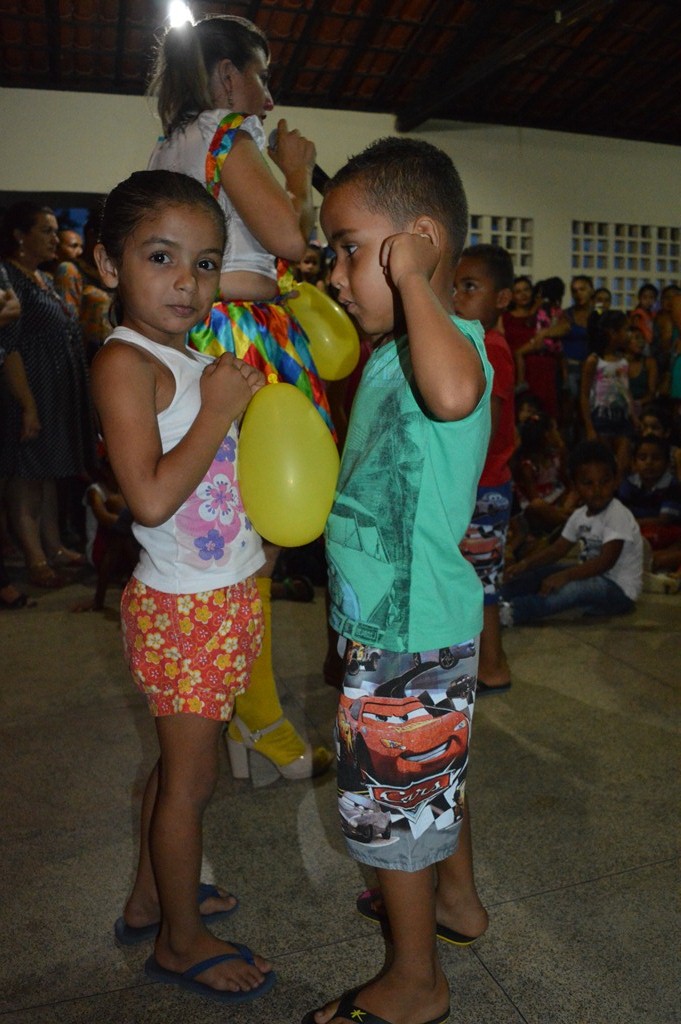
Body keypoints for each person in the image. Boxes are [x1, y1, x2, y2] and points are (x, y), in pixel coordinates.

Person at [305, 137, 492, 1024]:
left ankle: (414, 983)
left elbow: (453, 396)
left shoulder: (449, 345)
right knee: (426, 782)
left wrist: (412, 278)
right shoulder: (390, 352)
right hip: (386, 623)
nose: (337, 273)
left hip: (410, 629)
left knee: (390, 806)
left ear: (418, 241)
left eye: (349, 249)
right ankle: (454, 901)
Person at [91, 169, 275, 1004]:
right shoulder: (124, 362)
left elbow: (217, 478)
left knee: (176, 772)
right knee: (191, 785)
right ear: (108, 265)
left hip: (219, 596)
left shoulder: (190, 356)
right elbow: (151, 496)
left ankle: (149, 899)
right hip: (184, 610)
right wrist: (217, 411)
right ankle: (179, 939)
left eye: (204, 264)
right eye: (160, 257)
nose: (186, 282)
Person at [146, 13, 333, 780]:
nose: (268, 94)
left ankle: (239, 712)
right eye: (261, 75)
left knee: (233, 533)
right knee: (259, 537)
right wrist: (298, 173)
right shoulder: (226, 134)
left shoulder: (169, 144)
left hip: (201, 335)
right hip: (244, 335)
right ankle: (256, 719)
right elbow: (290, 240)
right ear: (227, 75)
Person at [0, 201, 94, 587]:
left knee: (48, 472)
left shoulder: (42, 276)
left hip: (54, 392)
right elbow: (9, 347)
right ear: (20, 236)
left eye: (57, 231)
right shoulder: (9, 277)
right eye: (46, 231)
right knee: (27, 475)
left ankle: (53, 547)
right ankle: (35, 558)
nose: (55, 238)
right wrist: (27, 404)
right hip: (29, 391)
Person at [454, 243, 514, 695]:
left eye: (470, 287)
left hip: (483, 486)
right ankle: (486, 663)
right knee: (478, 580)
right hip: (483, 484)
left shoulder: (492, 348)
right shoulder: (479, 343)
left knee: (481, 585)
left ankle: (492, 667)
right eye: (455, 286)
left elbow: (487, 428)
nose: (457, 297)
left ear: (502, 298)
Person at [500, 441, 642, 625]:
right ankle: (497, 597)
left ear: (616, 481)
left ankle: (512, 612)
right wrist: (525, 564)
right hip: (591, 579)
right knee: (542, 574)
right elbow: (557, 550)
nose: (597, 490)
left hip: (618, 591)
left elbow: (606, 562)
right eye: (588, 483)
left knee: (572, 588)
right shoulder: (579, 515)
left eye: (604, 482)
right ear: (575, 486)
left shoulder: (617, 513)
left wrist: (565, 576)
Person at [580, 310, 636, 478]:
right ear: (613, 333)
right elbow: (584, 395)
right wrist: (589, 427)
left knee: (622, 466)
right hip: (602, 417)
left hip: (622, 417)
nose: (628, 334)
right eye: (625, 329)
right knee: (605, 466)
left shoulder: (624, 360)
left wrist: (633, 415)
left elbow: (625, 389)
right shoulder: (594, 360)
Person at [627, 325, 658, 415]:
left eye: (642, 338)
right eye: (636, 338)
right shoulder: (620, 363)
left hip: (643, 407)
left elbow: (651, 392)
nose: (641, 342)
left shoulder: (649, 362)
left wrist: (638, 403)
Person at [629, 282, 658, 348]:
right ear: (639, 298)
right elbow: (634, 330)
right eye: (645, 297)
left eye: (651, 297)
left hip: (651, 344)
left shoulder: (654, 314)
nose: (648, 301)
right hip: (641, 344)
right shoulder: (638, 314)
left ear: (655, 299)